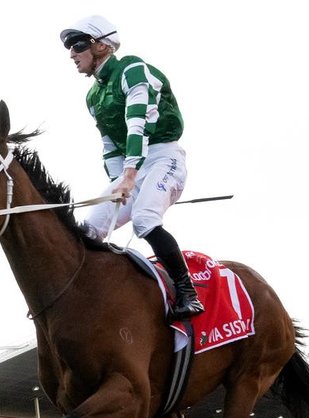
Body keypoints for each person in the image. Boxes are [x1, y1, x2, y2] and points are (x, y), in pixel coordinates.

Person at [60, 15, 203, 320]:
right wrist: (117, 182)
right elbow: (110, 145)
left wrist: (128, 176)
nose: (72, 53)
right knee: (89, 230)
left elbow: (137, 123)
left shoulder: (132, 69)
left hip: (164, 157)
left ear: (101, 46)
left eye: (78, 44)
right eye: (69, 47)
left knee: (144, 219)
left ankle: (187, 292)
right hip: (132, 167)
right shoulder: (93, 96)